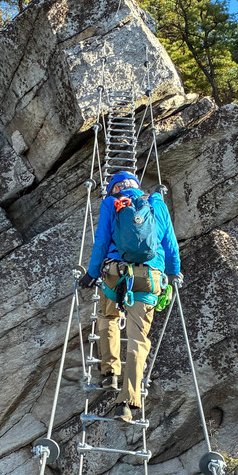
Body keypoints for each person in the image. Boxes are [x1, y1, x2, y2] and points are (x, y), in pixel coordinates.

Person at [80, 171, 182, 423]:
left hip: (116, 273)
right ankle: (126, 402)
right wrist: (174, 272)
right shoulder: (156, 201)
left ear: (114, 188)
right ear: (137, 187)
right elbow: (170, 242)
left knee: (108, 316)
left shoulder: (111, 202)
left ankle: (110, 372)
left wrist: (91, 274)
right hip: (150, 277)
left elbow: (102, 240)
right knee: (138, 339)